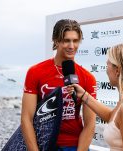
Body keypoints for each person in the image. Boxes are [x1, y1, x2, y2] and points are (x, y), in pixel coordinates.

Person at [21, 19, 96, 151]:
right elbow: (26, 117)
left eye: (75, 40)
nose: (71, 46)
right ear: (56, 41)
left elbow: (90, 124)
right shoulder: (35, 72)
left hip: (73, 144)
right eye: (66, 40)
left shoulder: (87, 77)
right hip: (43, 143)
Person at [67, 44, 123, 151]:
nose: (106, 70)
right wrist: (84, 95)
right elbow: (111, 118)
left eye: (107, 65)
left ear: (117, 70)